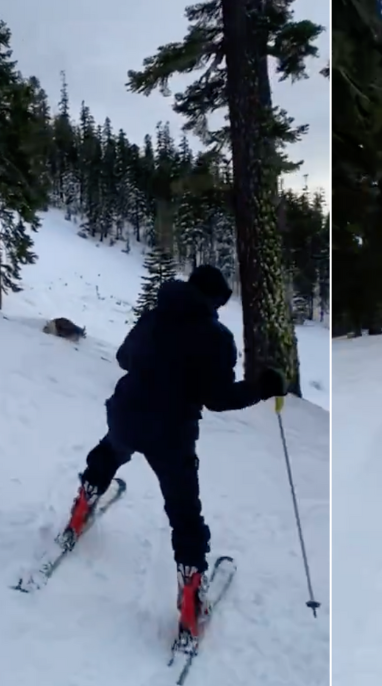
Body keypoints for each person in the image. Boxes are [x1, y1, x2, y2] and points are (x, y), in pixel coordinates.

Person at [61, 264, 285, 636]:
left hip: (126, 413)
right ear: (214, 299)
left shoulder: (155, 315)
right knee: (184, 513)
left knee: (110, 451)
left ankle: (84, 501)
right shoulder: (216, 338)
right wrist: (261, 387)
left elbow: (122, 358)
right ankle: (191, 599)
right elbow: (218, 399)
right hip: (170, 433)